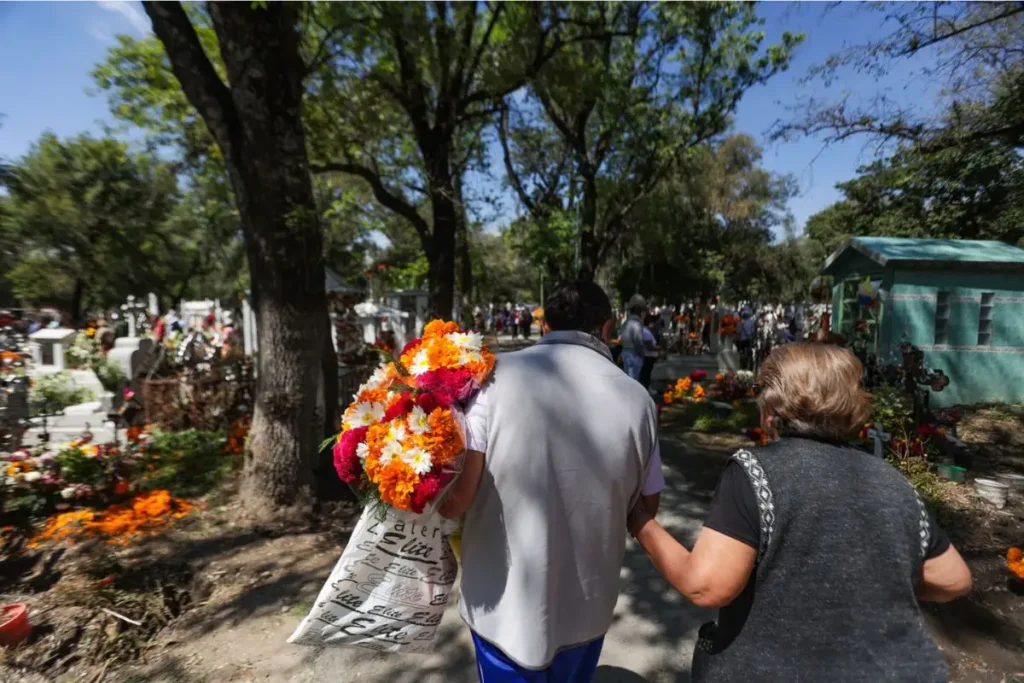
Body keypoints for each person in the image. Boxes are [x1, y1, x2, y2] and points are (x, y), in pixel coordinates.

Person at [626, 343, 972, 682]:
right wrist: (869, 581)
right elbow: (953, 578)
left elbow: (705, 586)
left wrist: (640, 521)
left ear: (771, 408)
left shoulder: (756, 471)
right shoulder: (891, 480)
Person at [441, 280, 664, 683]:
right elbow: (647, 508)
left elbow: (459, 499)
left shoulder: (492, 379)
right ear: (608, 328)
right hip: (587, 605)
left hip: (502, 606)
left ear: (544, 325)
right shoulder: (639, 401)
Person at [619, 294, 647, 381]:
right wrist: (641, 354)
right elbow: (639, 341)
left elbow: (621, 338)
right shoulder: (636, 324)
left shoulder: (626, 323)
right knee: (634, 380)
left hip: (625, 352)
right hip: (634, 354)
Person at [638, 314, 659, 390]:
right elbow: (649, 346)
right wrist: (658, 348)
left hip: (649, 356)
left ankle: (646, 387)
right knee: (646, 374)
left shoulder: (646, 331)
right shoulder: (646, 332)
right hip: (648, 356)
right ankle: (646, 388)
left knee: (647, 374)